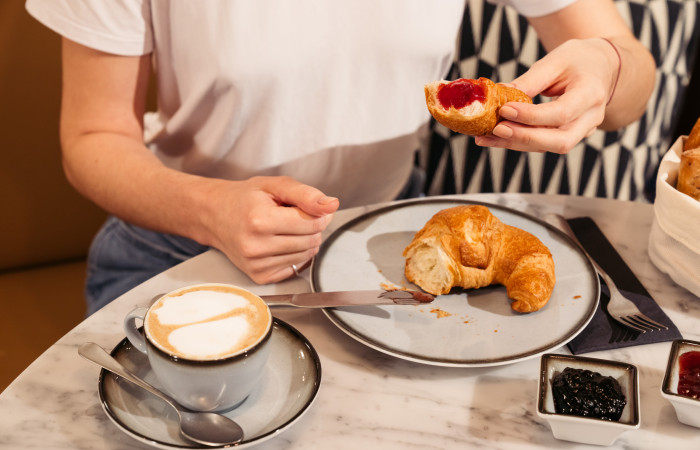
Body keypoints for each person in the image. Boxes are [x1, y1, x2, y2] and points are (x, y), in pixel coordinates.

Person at [26, 0, 655, 315]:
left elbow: (632, 88)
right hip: (178, 253)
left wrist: (608, 62)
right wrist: (210, 209)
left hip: (381, 253)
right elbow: (93, 138)